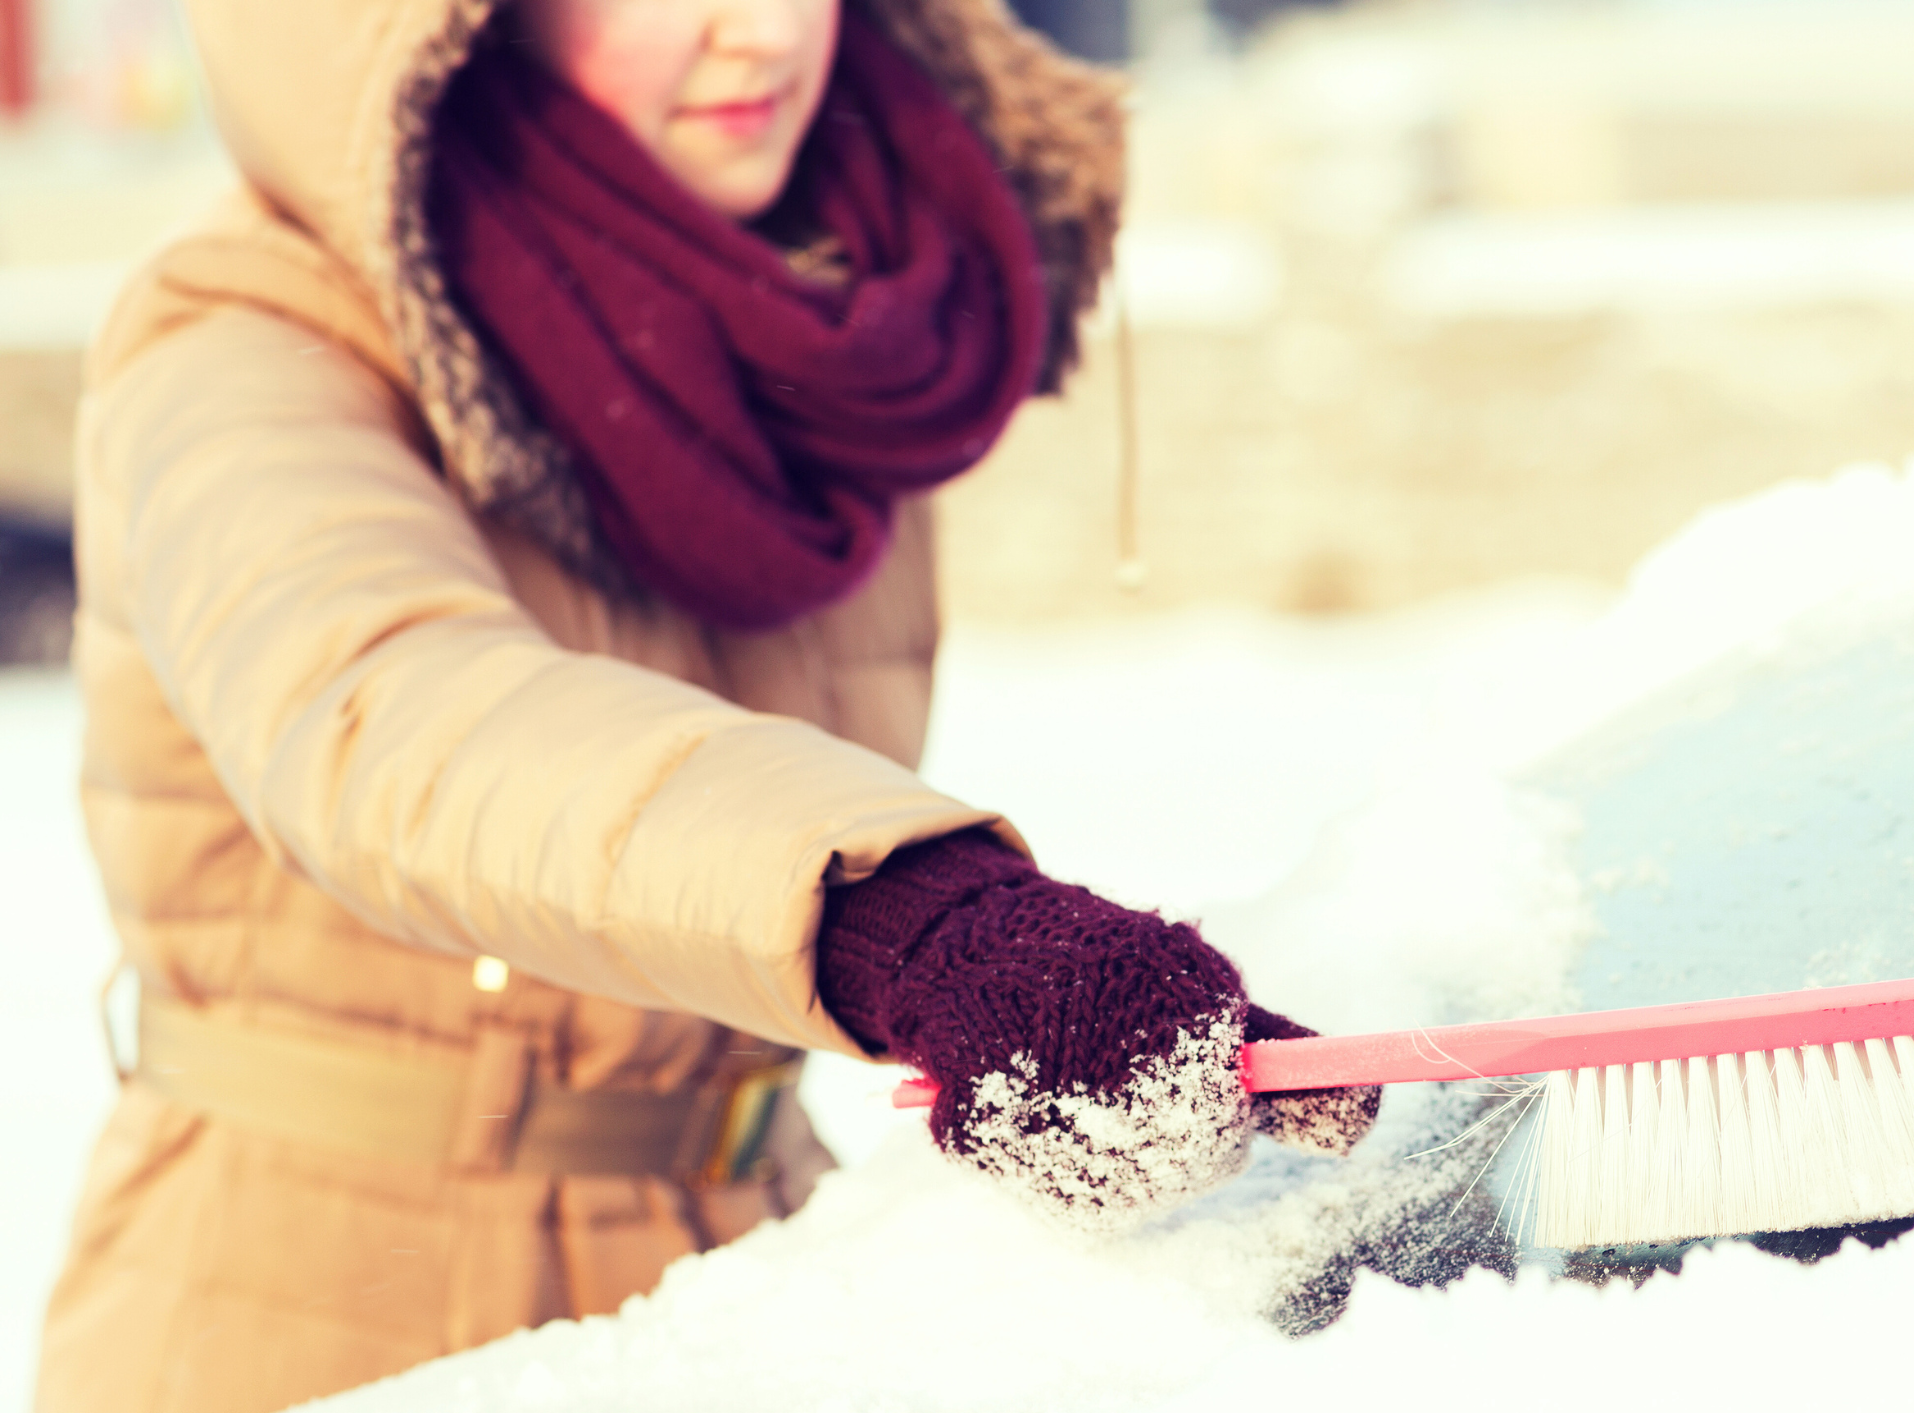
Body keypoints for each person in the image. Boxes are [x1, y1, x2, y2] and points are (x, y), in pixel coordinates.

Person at [36, 2, 1378, 1410]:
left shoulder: (833, 324)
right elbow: (383, 705)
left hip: (739, 1264)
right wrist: (907, 918)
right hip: (316, 1302)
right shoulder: (245, 336)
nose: (760, 32)